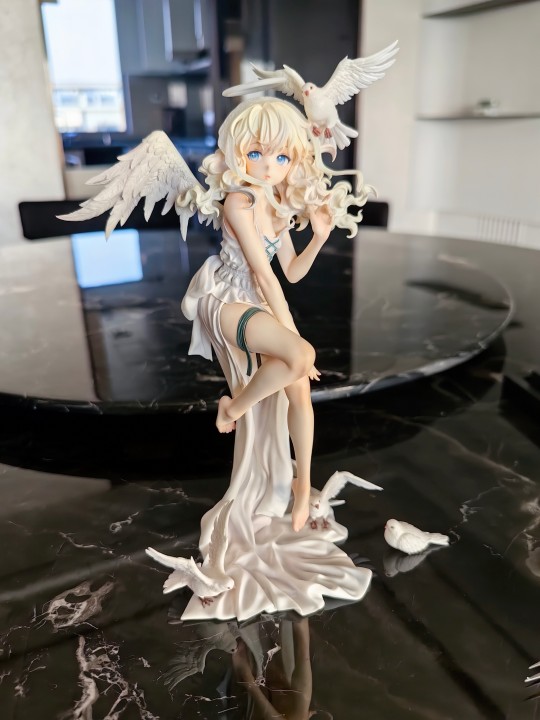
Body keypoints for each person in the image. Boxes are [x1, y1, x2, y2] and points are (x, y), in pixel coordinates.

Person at [179, 97, 368, 532]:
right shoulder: (238, 202)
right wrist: (295, 338)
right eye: (256, 153)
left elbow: (292, 272)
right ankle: (232, 409)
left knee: (299, 389)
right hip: (226, 299)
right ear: (237, 152)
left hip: (259, 300)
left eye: (282, 157)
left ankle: (302, 486)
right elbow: (263, 275)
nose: (269, 166)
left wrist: (319, 237)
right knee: (300, 357)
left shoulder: (279, 203)